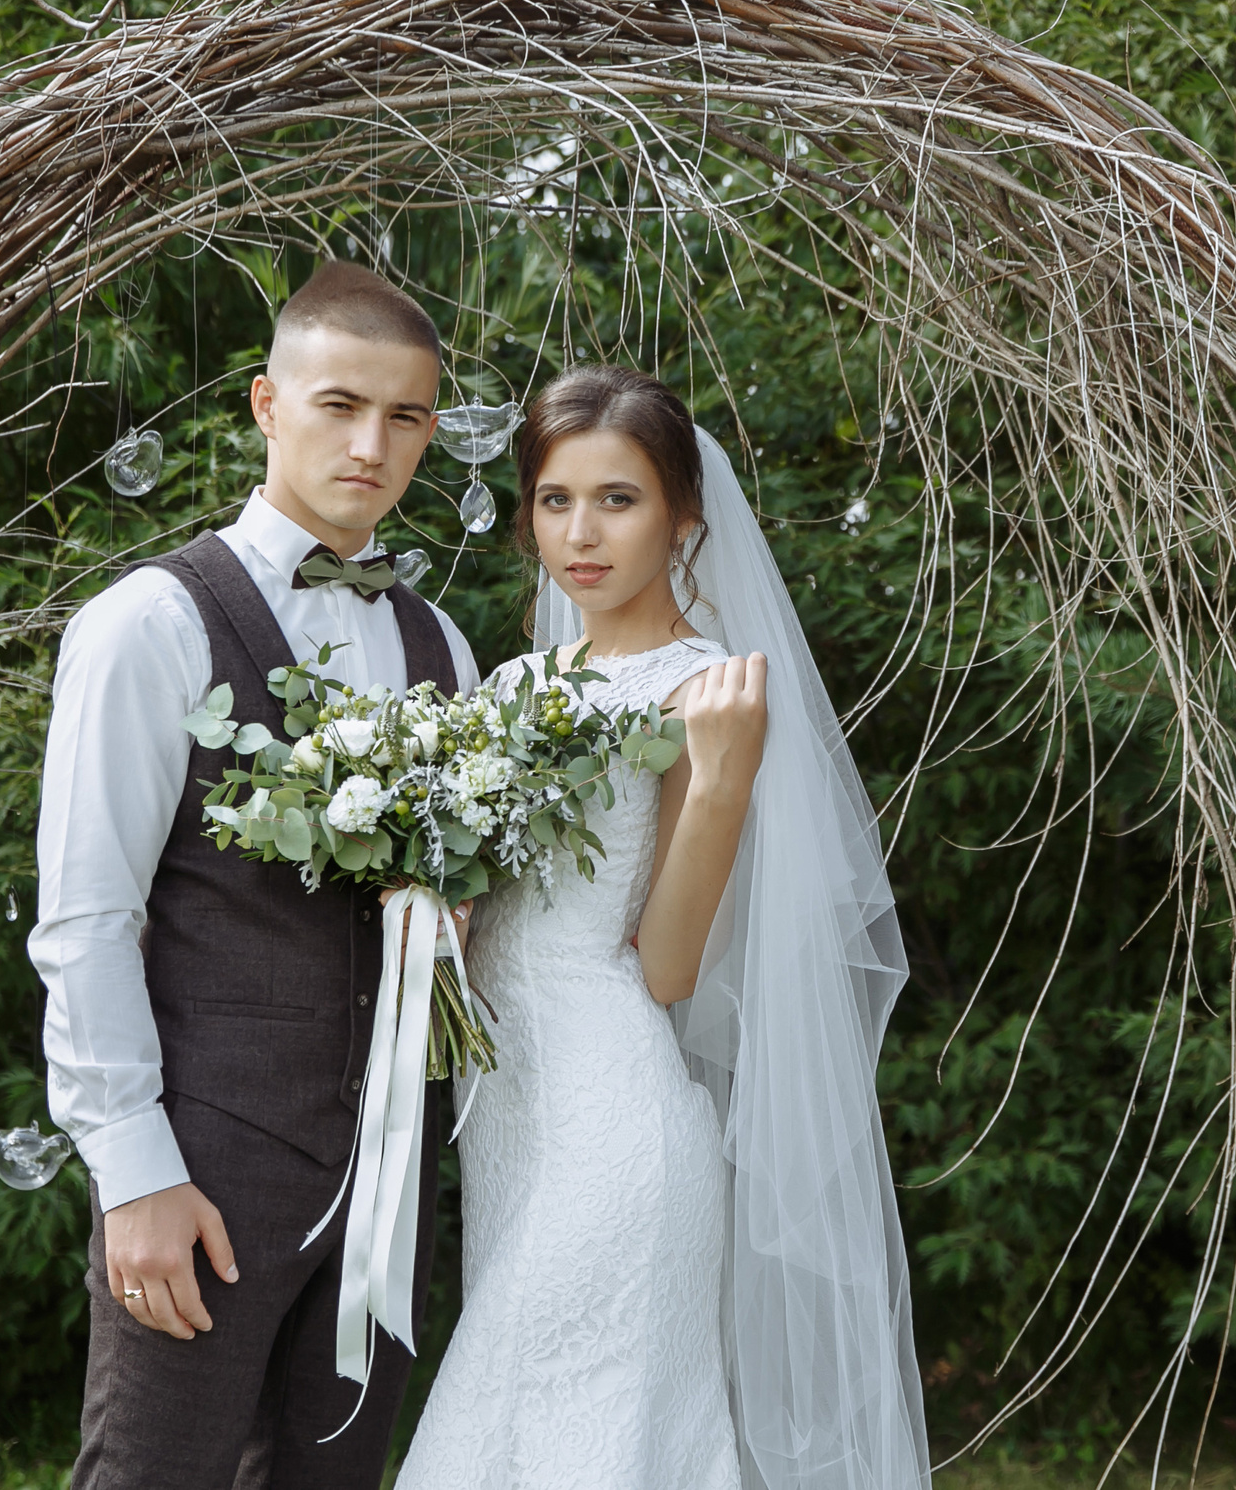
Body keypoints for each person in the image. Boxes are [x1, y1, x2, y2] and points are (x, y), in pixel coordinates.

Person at [397, 365, 933, 1490]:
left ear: (686, 515)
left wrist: (725, 780)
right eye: (554, 500)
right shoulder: (513, 688)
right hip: (508, 1125)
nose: (579, 534)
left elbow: (670, 968)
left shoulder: (712, 693)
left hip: (617, 1128)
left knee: (538, 1437)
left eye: (618, 499)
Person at [29, 261, 479, 1489]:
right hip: (205, 1165)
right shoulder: (150, 623)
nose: (372, 445)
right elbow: (84, 922)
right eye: (338, 404)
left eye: (406, 416)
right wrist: (136, 1177)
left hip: (387, 1178)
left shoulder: (442, 643)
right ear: (265, 405)